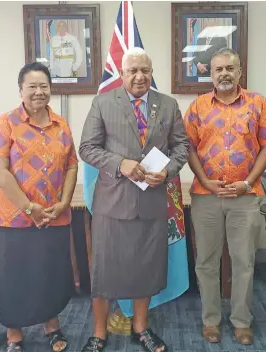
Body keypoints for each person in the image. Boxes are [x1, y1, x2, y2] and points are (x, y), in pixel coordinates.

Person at [78, 47, 189, 352]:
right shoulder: (102, 102)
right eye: (133, 71)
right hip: (112, 204)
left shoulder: (167, 105)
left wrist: (167, 171)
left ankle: (141, 327)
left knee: (146, 268)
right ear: (122, 74)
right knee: (104, 270)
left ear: (151, 73)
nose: (140, 76)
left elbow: (182, 147)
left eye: (145, 71)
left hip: (152, 201)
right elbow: (87, 148)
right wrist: (120, 164)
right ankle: (99, 332)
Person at [184, 47, 266, 345]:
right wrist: (204, 181)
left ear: (240, 71)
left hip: (244, 196)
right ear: (210, 74)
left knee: (244, 261)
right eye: (219, 69)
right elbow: (187, 146)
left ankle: (242, 321)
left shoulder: (258, 104)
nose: (225, 73)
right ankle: (211, 321)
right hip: (206, 196)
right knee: (206, 262)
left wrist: (248, 181)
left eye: (230, 68)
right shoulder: (198, 106)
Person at [0, 62, 78, 352]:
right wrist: (29, 207)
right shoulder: (7, 122)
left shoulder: (61, 124)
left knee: (49, 272)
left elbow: (72, 166)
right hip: (13, 218)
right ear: (20, 90)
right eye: (32, 86)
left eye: (44, 86)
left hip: (53, 215)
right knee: (13, 274)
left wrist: (64, 202)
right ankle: (14, 334)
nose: (39, 92)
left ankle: (52, 326)